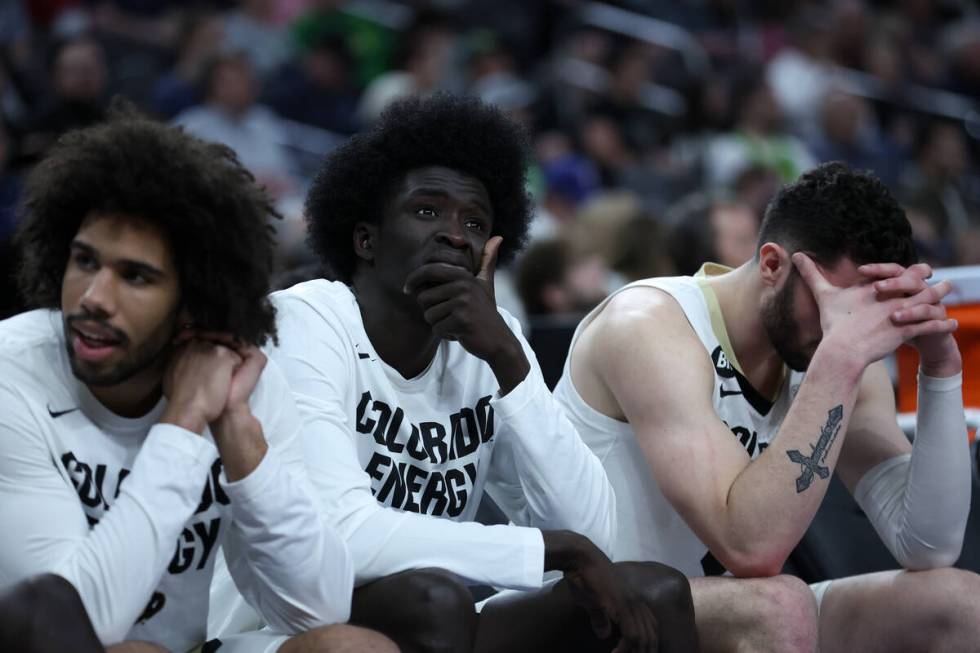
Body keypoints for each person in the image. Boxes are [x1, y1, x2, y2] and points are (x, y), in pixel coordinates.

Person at [236, 94, 698, 652]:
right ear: (366, 240)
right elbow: (342, 537)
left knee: (654, 591)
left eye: (475, 222)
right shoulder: (305, 320)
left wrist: (509, 361)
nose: (456, 234)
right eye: (427, 210)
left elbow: (597, 536)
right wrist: (553, 550)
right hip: (280, 628)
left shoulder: (490, 343)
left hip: (438, 619)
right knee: (433, 601)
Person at [0, 108, 394, 653]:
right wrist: (184, 422)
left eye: (136, 276)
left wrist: (237, 430)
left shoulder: (243, 381)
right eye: (85, 261)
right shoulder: (11, 369)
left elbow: (316, 607)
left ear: (195, 301)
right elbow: (70, 623)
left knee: (355, 648)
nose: (93, 298)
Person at [558, 161, 980, 651]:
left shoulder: (835, 353)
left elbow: (928, 545)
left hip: (717, 609)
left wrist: (941, 371)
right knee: (778, 605)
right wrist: (839, 360)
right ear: (773, 265)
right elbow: (750, 547)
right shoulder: (648, 327)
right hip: (596, 608)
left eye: (863, 313)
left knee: (959, 603)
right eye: (832, 305)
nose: (842, 326)